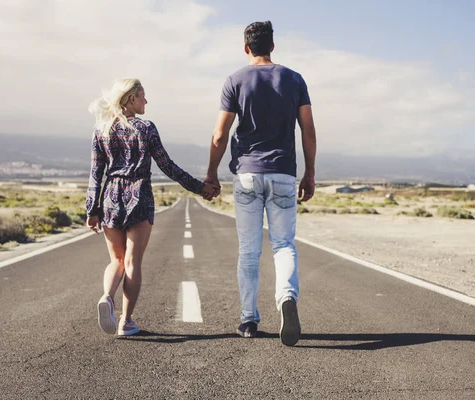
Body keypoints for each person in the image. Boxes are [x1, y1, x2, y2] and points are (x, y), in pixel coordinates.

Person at [205, 21, 317, 346]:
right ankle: (286, 299)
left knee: (249, 252)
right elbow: (307, 129)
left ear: (246, 47)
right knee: (284, 245)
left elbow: (219, 134)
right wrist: (310, 173)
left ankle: (248, 320)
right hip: (283, 173)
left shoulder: (235, 81)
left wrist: (211, 173)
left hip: (247, 175)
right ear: (272, 46)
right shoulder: (294, 80)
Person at [86, 78, 218, 336]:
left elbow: (95, 173)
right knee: (133, 262)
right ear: (131, 98)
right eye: (143, 96)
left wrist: (92, 209)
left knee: (116, 260)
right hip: (139, 196)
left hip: (111, 196)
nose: (146, 101)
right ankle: (126, 321)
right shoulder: (146, 128)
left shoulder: (101, 131)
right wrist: (199, 188)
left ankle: (107, 297)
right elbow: (167, 166)